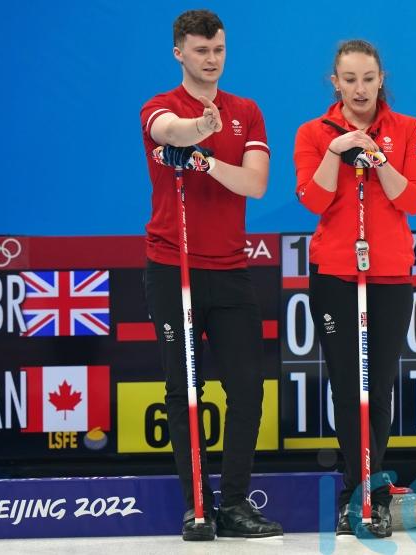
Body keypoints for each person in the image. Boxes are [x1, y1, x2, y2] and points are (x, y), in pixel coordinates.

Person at [140, 9, 283, 541]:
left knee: (247, 386)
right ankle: (196, 505)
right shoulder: (159, 106)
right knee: (184, 389)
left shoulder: (246, 110)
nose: (212, 59)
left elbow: (256, 183)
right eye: (201, 51)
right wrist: (199, 128)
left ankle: (237, 503)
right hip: (170, 266)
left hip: (229, 270)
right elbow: (167, 130)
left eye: (218, 50)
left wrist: (204, 161)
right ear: (180, 52)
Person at [293, 39, 416, 537]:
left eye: (367, 79)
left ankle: (374, 492)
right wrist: (336, 149)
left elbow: (413, 198)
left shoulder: (409, 129)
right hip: (334, 274)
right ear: (335, 82)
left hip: (389, 273)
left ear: (381, 79)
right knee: (348, 386)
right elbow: (312, 197)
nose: (359, 89)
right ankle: (358, 491)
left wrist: (375, 158)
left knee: (382, 384)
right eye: (348, 79)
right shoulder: (313, 132)